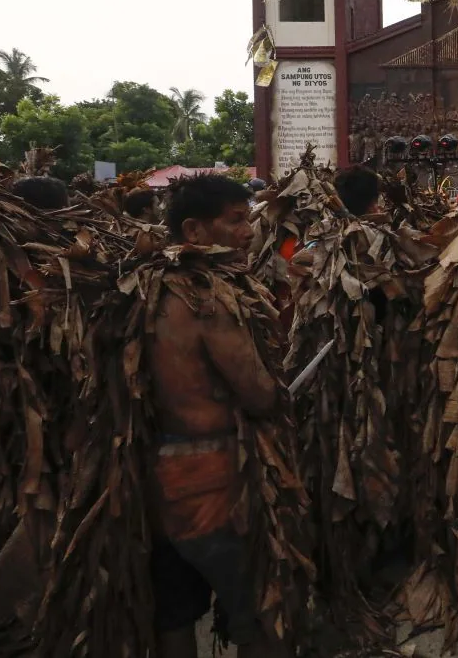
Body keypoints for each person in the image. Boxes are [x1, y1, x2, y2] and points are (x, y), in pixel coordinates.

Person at [150, 175, 285, 658]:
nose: (249, 231)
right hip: (212, 481)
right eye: (235, 220)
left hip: (153, 477)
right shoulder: (205, 298)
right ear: (194, 230)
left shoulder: (138, 291)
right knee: (258, 612)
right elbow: (258, 394)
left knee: (174, 613)